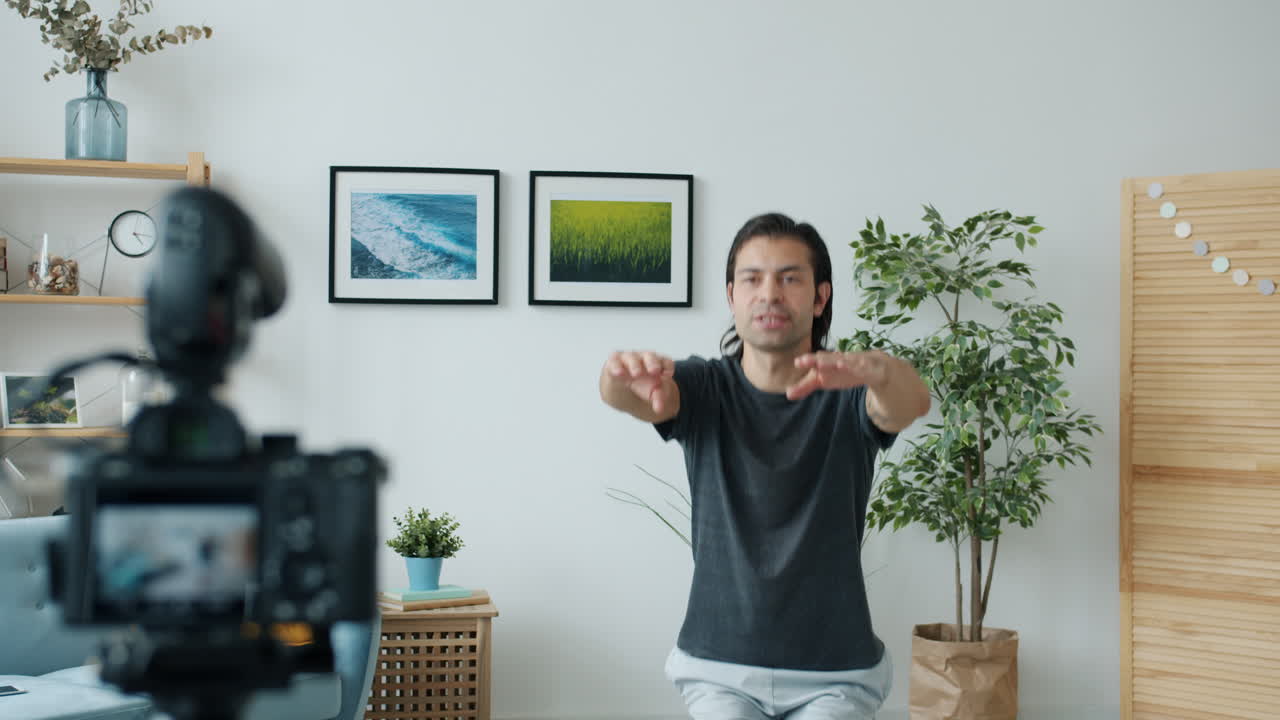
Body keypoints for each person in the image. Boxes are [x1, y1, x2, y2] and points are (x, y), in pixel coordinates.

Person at [599, 213, 931, 719]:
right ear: (732, 296)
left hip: (836, 675)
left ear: (820, 298)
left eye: (789, 279)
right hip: (718, 667)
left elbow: (910, 404)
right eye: (753, 279)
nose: (770, 294)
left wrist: (884, 372)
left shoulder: (849, 390)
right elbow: (633, 397)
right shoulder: (703, 386)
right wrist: (618, 378)